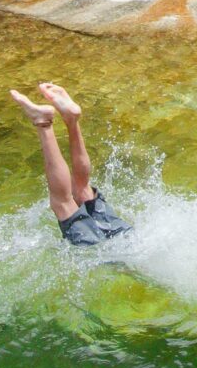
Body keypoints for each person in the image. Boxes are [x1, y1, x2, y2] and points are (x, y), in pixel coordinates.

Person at [10, 82, 131, 246]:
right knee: (63, 204)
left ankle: (72, 119)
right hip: (114, 255)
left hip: (129, 236)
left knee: (84, 191)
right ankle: (43, 123)